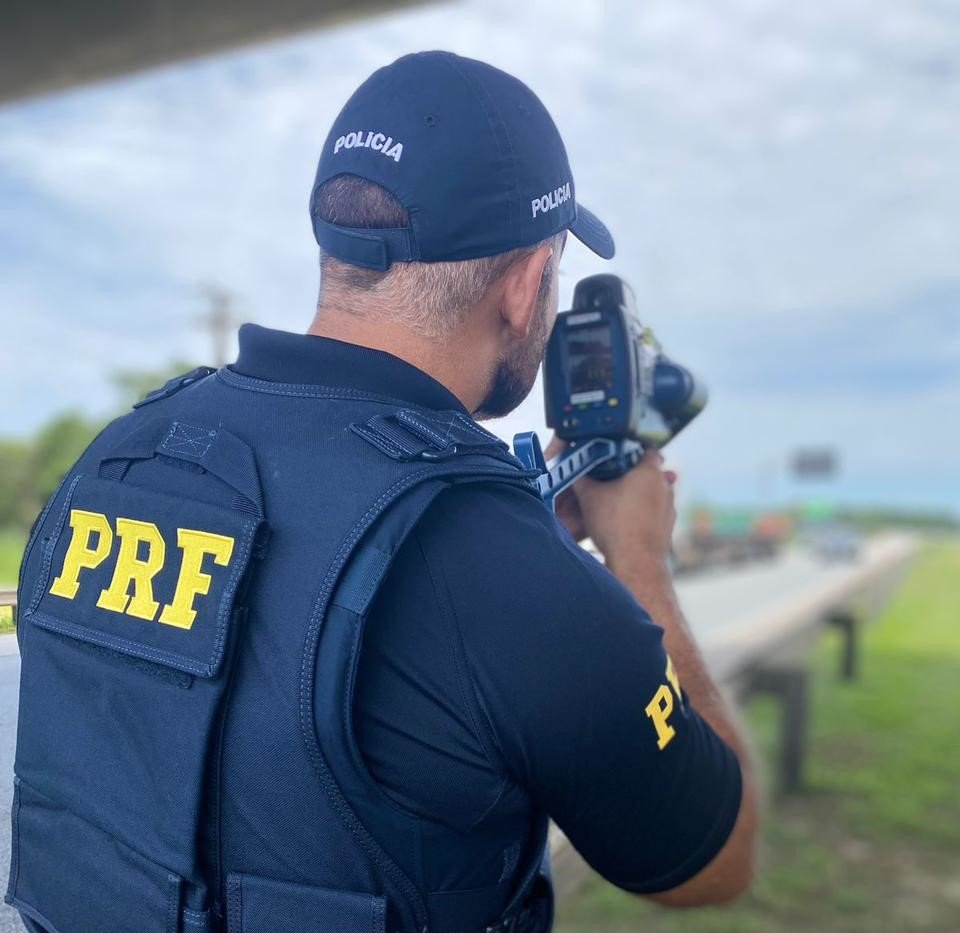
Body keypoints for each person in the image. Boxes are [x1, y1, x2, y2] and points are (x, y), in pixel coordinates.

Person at [7, 51, 756, 933]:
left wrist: (522, 547)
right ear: (525, 286)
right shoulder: (505, 577)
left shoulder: (125, 451)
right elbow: (711, 859)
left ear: (339, 247)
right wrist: (638, 559)